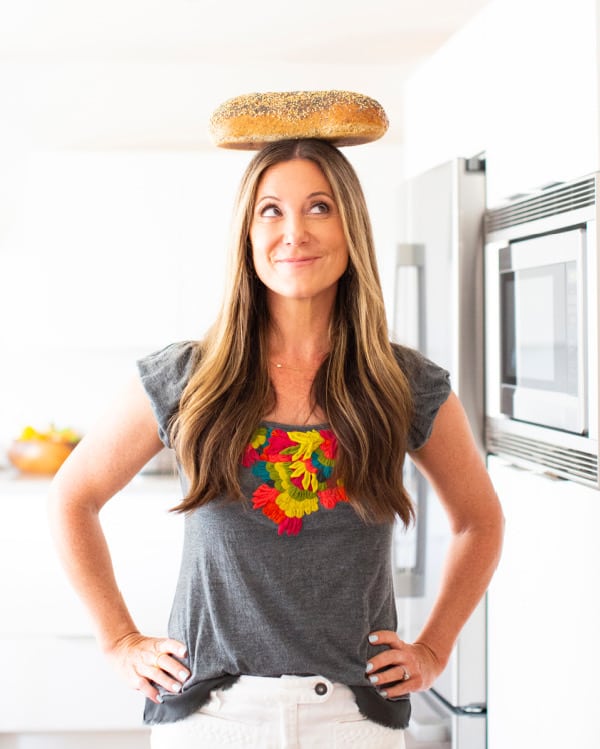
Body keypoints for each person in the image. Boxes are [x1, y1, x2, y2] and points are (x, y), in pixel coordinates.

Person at [48, 136, 504, 749]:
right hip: (211, 716)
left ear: (351, 227)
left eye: (319, 207)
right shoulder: (186, 376)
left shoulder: (405, 384)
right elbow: (72, 498)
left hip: (355, 721)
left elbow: (480, 521)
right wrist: (119, 639)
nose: (294, 232)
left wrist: (434, 648)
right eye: (272, 210)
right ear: (248, 233)